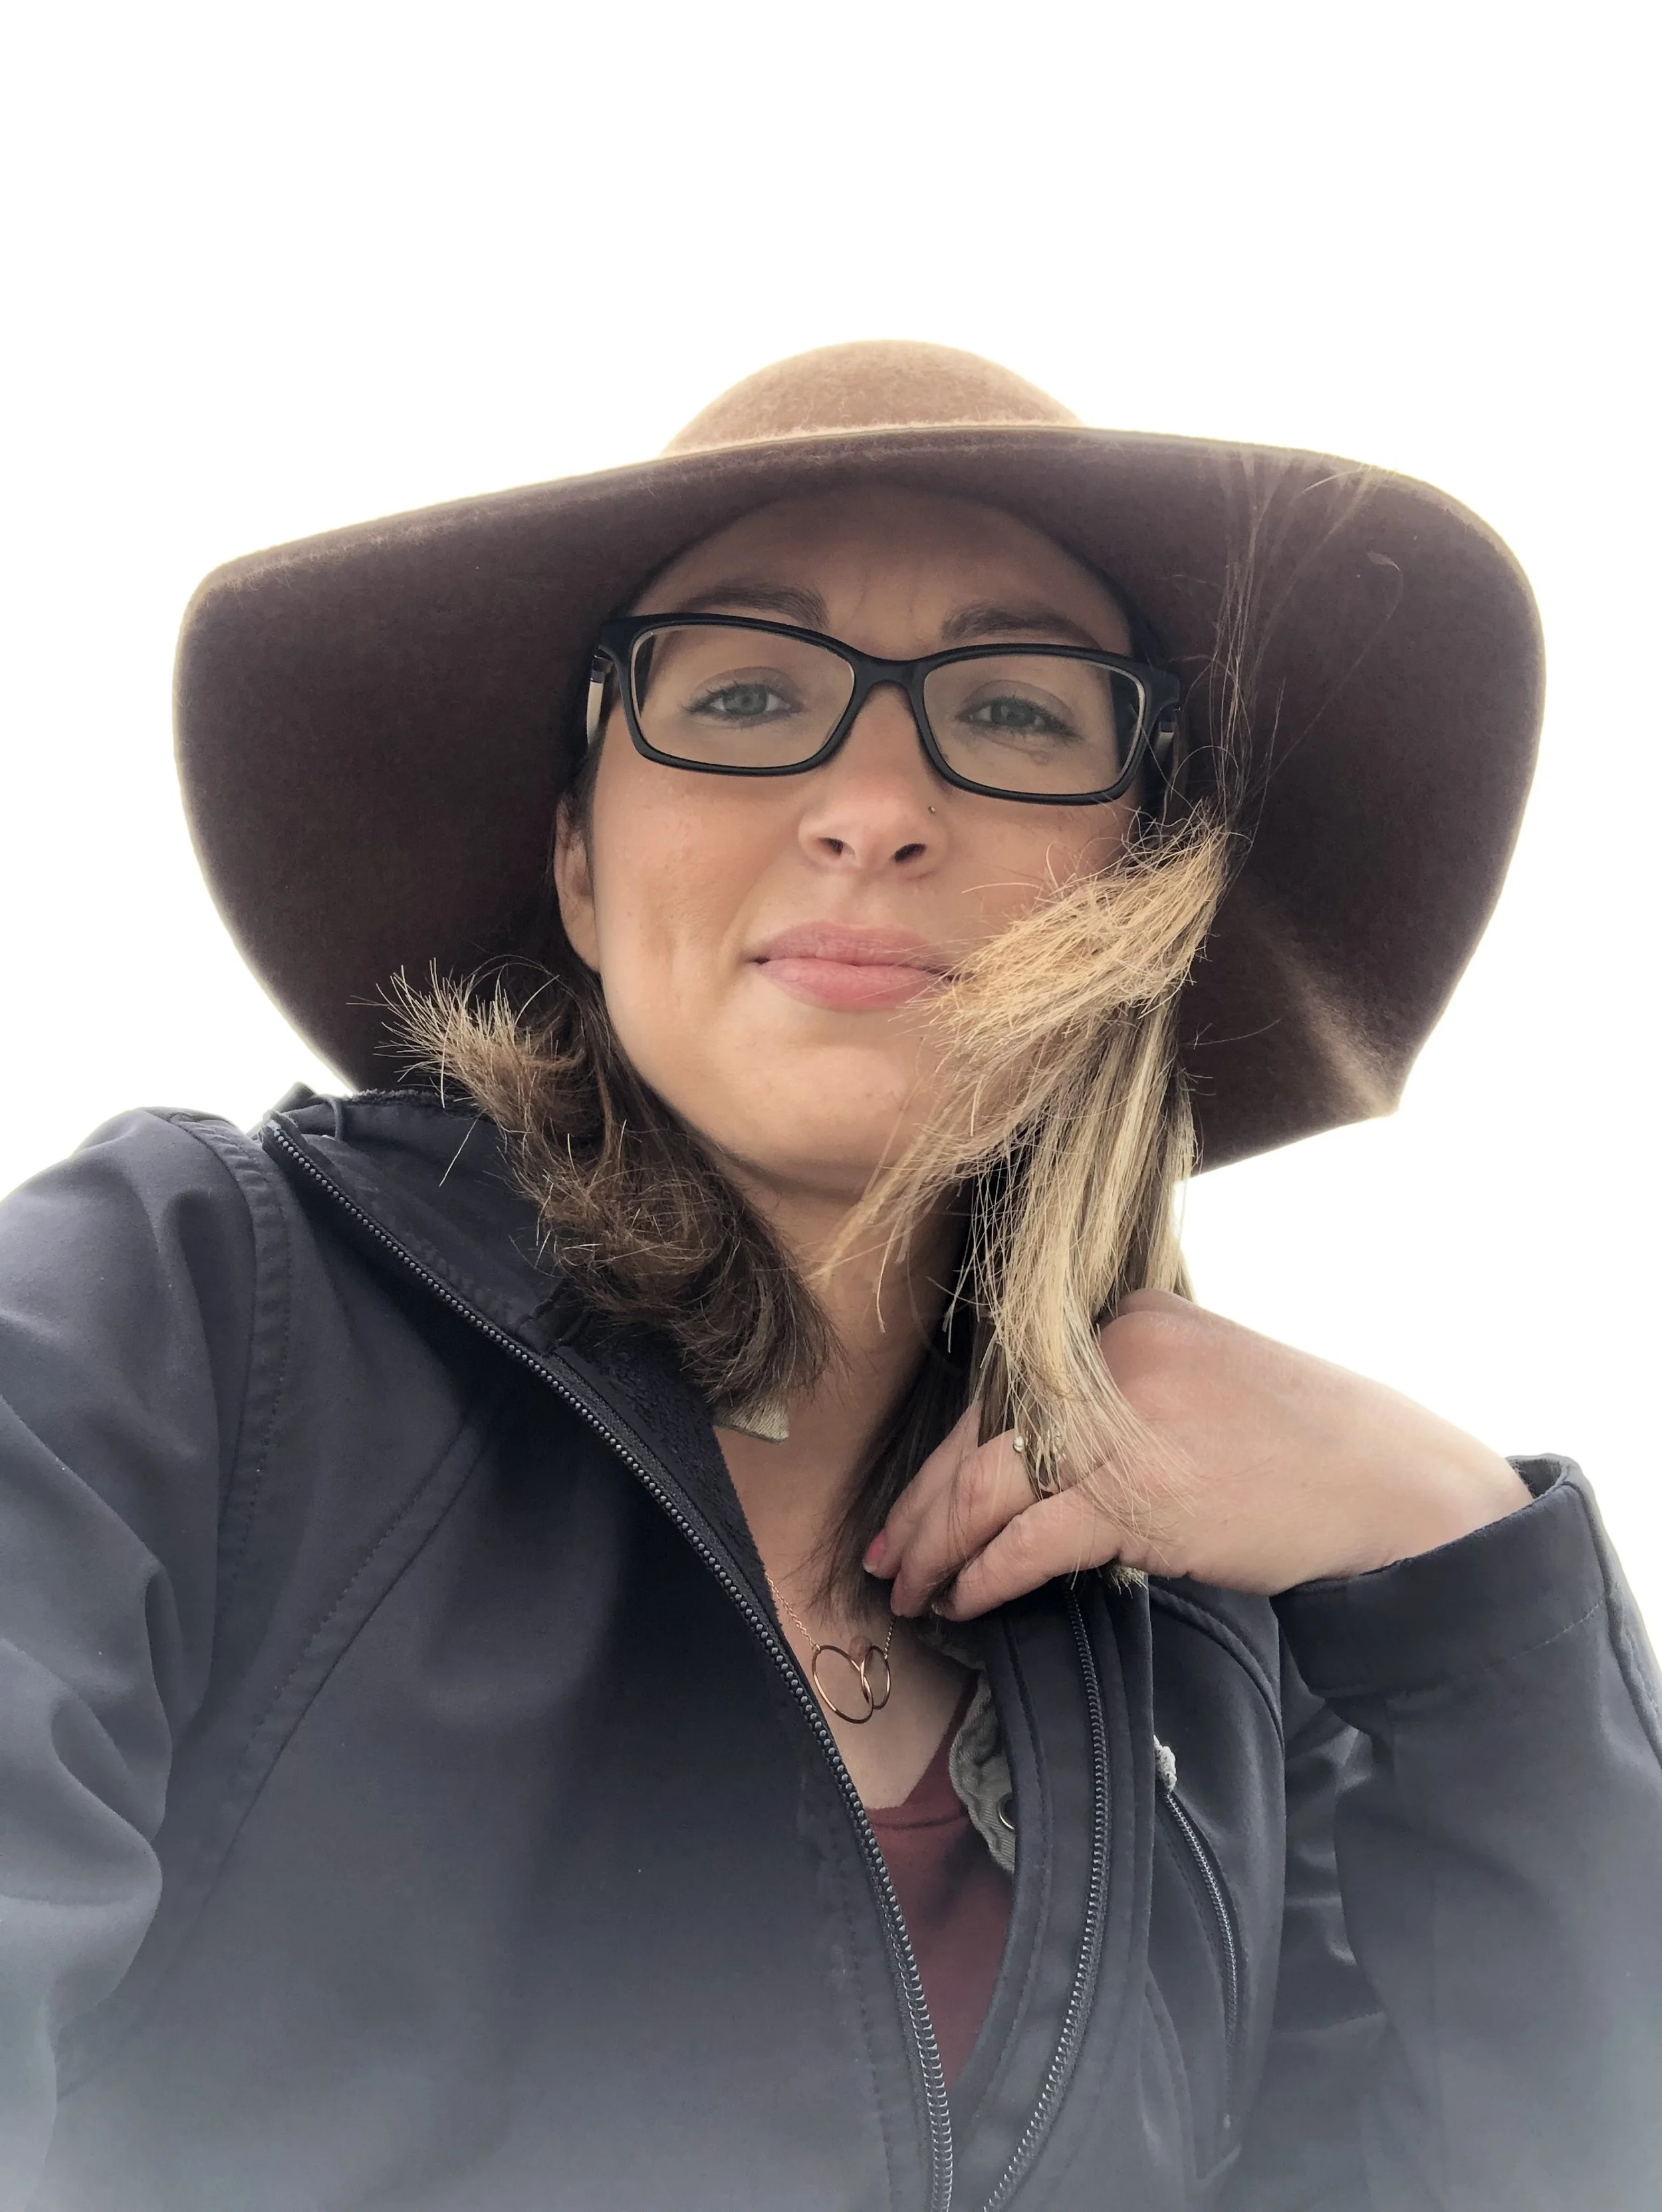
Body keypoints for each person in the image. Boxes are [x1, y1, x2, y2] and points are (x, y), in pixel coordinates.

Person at [2, 340, 1657, 2212]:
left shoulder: (1221, 1675)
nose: (873, 806)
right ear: (575, 855)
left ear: (1142, 878)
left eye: (1020, 715)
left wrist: (1461, 1565)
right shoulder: (179, 1320)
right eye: (747, 690)